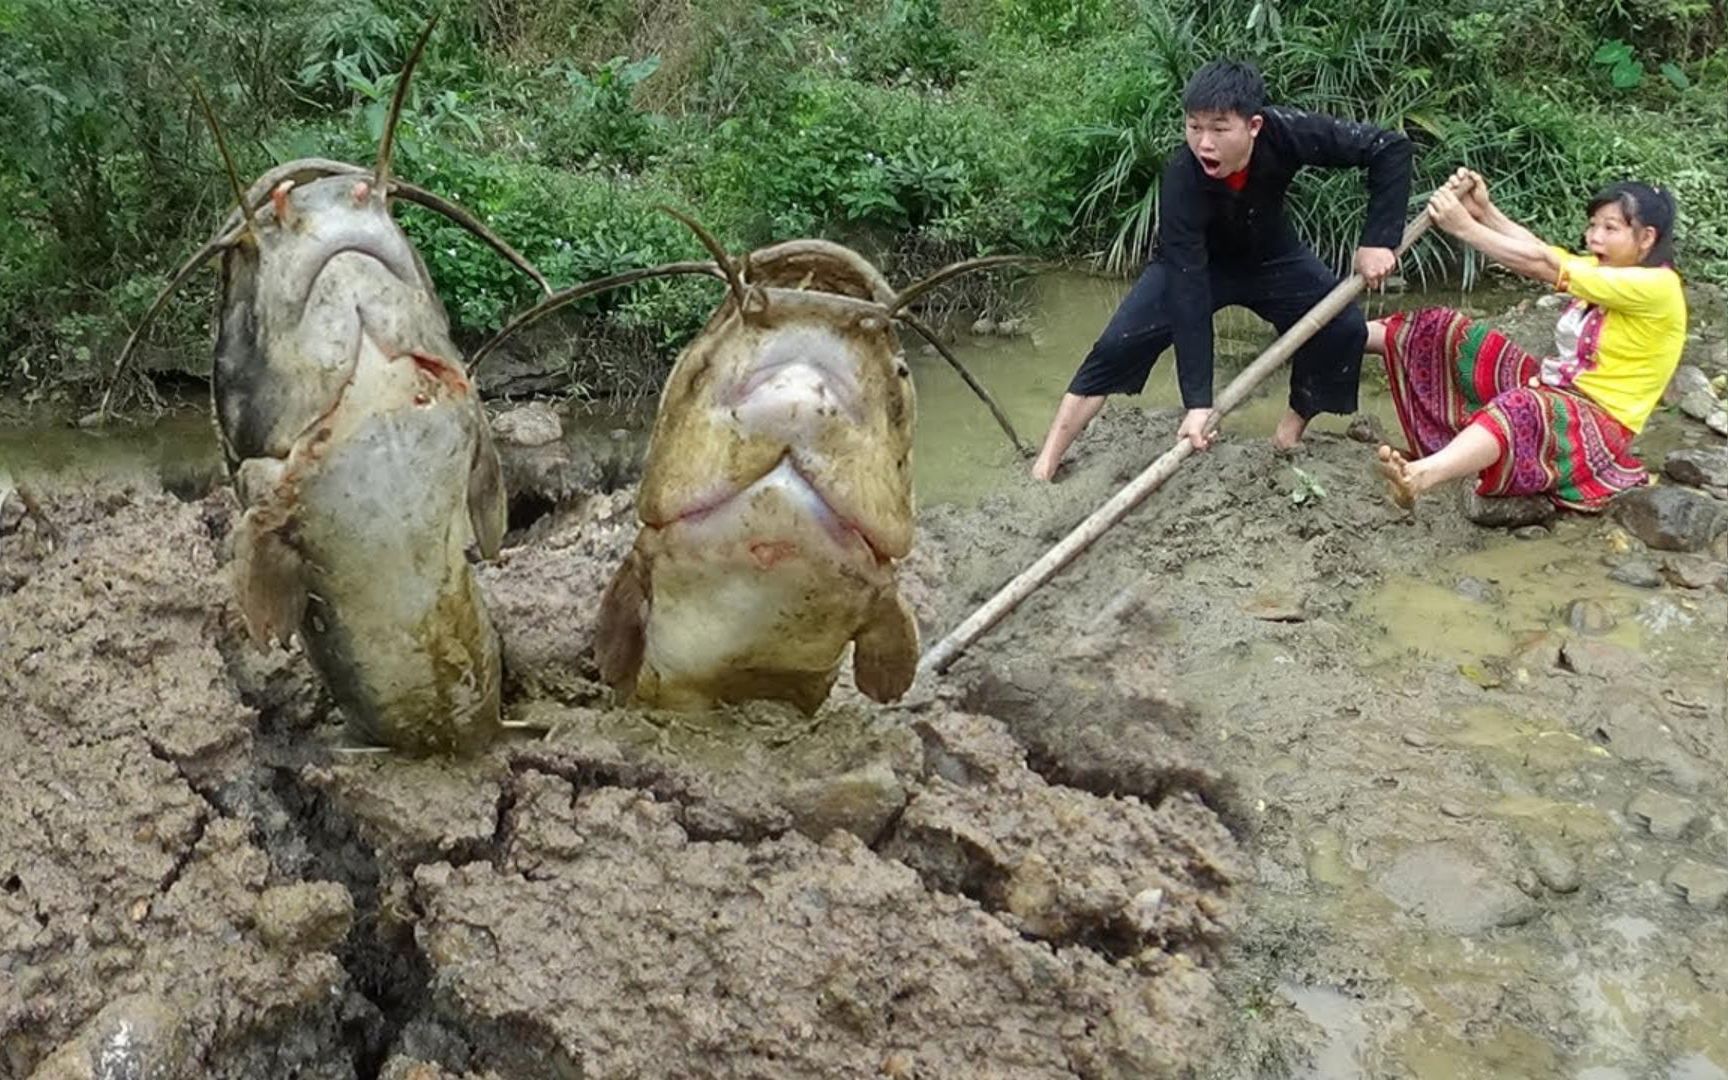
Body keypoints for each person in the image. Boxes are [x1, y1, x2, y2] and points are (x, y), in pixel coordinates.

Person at [1031, 58, 1413, 481]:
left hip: (1270, 256)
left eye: (1218, 128)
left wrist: (1379, 238)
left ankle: (1287, 436)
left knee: (1342, 326)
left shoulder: (1287, 131)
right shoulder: (1182, 177)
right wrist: (1198, 401)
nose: (1204, 144)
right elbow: (1188, 290)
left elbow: (1388, 148)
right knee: (1116, 346)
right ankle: (1045, 464)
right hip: (1196, 267)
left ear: (1253, 126)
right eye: (1194, 127)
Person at [1371, 170, 1686, 512]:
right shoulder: (1607, 270)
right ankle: (1344, 333)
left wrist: (1464, 227)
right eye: (1593, 225)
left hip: (1598, 423)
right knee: (1443, 327)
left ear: (1646, 238)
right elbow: (1542, 251)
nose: (1594, 238)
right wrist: (1485, 212)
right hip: (1551, 390)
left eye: (1610, 228)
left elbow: (1542, 266)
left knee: (1521, 406)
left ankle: (1421, 475)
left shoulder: (1658, 287)